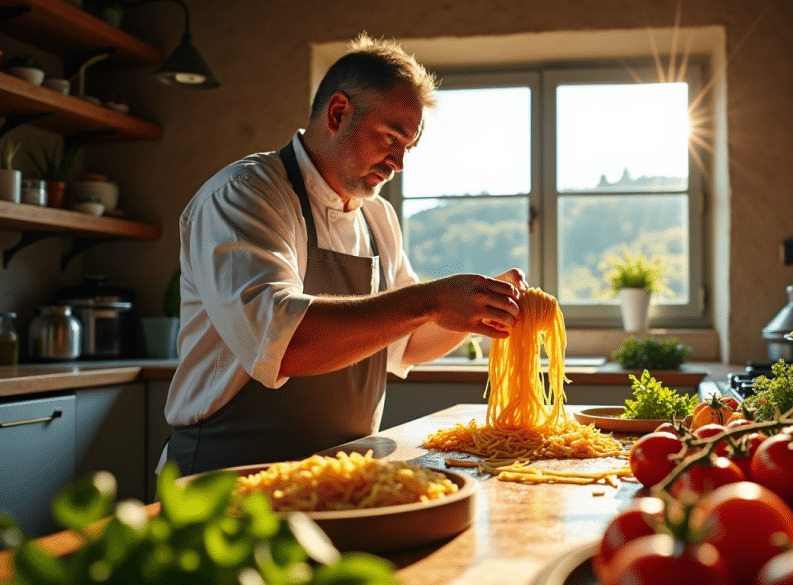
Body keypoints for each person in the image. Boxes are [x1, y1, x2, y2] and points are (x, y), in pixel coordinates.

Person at [162, 34, 527, 476]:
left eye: (407, 147)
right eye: (391, 137)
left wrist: (479, 307)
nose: (399, 163)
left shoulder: (378, 217)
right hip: (224, 477)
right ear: (338, 113)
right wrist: (431, 300)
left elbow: (406, 340)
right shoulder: (245, 195)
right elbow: (286, 344)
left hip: (340, 476)